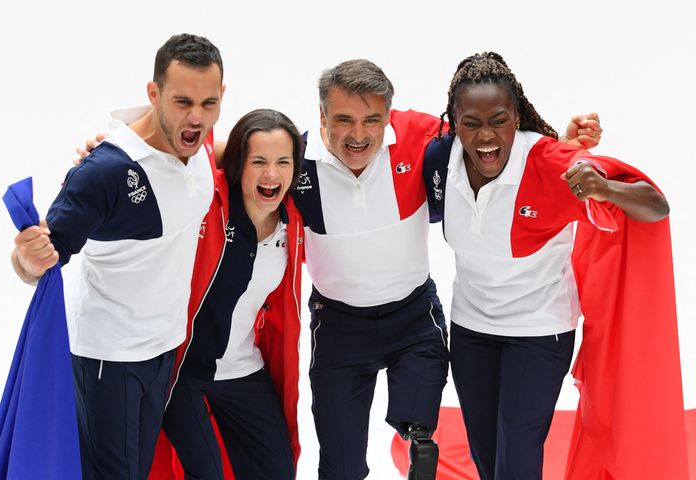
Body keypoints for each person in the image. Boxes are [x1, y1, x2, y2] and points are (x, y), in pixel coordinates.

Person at [296, 59, 602, 480]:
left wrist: (557, 147)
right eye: (343, 120)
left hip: (414, 318)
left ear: (389, 116)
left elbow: (490, 138)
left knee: (426, 445)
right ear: (321, 116)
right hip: (339, 327)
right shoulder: (294, 161)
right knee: (341, 464)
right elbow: (240, 164)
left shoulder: (420, 138)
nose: (358, 134)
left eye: (372, 120)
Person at [422, 52, 671, 479]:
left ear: (516, 117)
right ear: (453, 120)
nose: (485, 136)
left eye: (499, 120)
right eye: (471, 123)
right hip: (471, 331)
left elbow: (656, 205)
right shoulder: (438, 158)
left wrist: (605, 187)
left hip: (538, 333)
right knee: (486, 457)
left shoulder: (553, 164)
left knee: (516, 458)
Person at [10, 33, 225, 480]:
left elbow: (243, 153)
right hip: (111, 358)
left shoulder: (199, 143)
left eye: (209, 104)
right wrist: (26, 259)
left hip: (166, 348)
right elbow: (42, 259)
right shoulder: (106, 171)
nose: (196, 117)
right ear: (153, 94)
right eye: (182, 101)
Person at [151, 109, 304, 480]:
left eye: (283, 162)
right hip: (182, 368)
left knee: (279, 471)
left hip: (243, 368)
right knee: (208, 472)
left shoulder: (295, 215)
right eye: (259, 161)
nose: (272, 174)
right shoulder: (207, 197)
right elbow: (175, 142)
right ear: (237, 163)